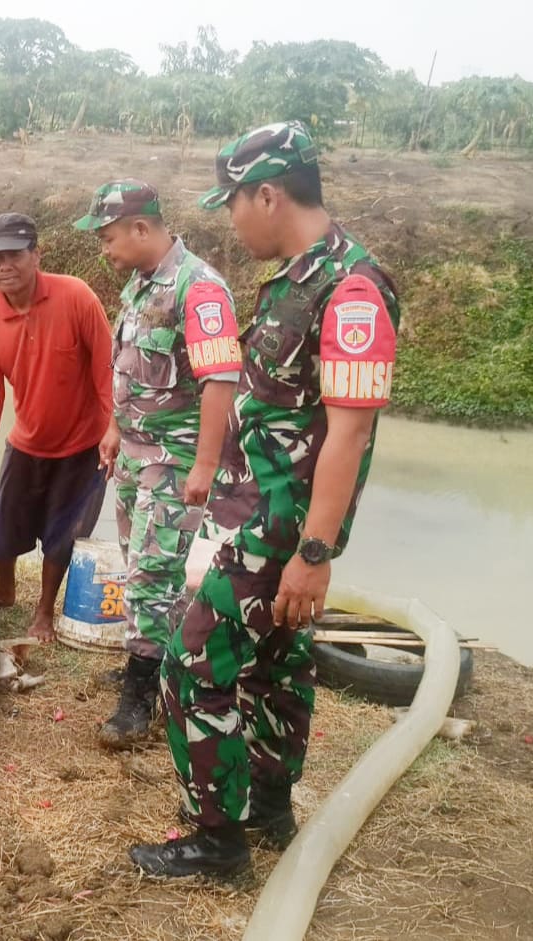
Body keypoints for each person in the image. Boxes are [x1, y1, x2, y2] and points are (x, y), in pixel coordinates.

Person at [129, 121, 401, 878]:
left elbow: (347, 436)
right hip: (255, 514)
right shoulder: (298, 277)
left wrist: (312, 556)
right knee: (273, 664)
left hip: (278, 526)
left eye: (233, 204)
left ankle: (216, 839)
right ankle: (269, 809)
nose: (230, 220)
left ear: (268, 193)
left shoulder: (349, 292)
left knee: (189, 662)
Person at [73, 181, 242, 750]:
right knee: (141, 570)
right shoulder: (140, 285)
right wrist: (114, 429)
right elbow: (129, 365)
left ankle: (141, 700)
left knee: (151, 579)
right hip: (135, 457)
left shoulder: (201, 289)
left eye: (109, 236)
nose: (104, 248)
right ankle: (150, 664)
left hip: (175, 462)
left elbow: (220, 381)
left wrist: (205, 465)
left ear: (142, 229)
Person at [0, 213, 114, 642]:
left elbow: (107, 369)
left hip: (84, 443)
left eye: (14, 254)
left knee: (64, 534)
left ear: (36, 255)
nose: (4, 266)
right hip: (28, 438)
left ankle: (44, 611)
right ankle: (6, 588)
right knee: (4, 524)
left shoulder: (77, 297)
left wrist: (113, 430)